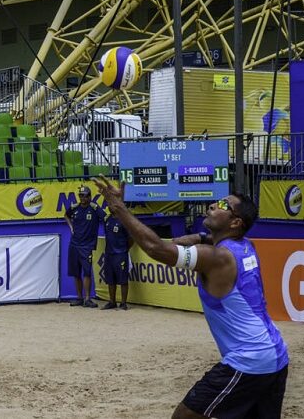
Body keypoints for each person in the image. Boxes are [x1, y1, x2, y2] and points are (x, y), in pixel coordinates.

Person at [93, 175, 289, 419]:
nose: (213, 205)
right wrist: (198, 237)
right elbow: (207, 240)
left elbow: (156, 249)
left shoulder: (217, 258)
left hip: (249, 361)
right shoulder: (246, 245)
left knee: (184, 416)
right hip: (276, 355)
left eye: (224, 205)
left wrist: (119, 208)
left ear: (235, 222)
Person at [64, 185, 102, 308]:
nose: (83, 198)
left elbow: (105, 218)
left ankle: (87, 299)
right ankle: (79, 298)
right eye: (80, 196)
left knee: (87, 272)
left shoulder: (94, 208)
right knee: (76, 273)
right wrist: (71, 227)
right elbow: (66, 215)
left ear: (90, 196)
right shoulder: (75, 208)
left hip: (87, 246)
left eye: (85, 196)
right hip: (74, 244)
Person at [100, 209, 132, 310]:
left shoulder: (124, 220)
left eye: (112, 204)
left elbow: (131, 238)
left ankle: (123, 303)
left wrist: (125, 249)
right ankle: (112, 302)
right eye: (109, 204)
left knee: (123, 279)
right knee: (110, 279)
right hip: (109, 253)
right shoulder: (107, 219)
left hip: (121, 254)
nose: (110, 206)